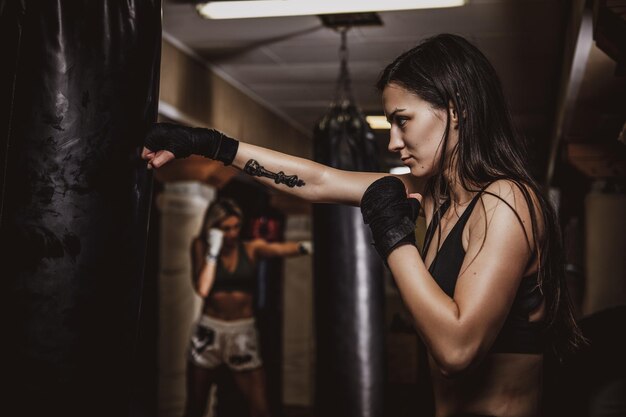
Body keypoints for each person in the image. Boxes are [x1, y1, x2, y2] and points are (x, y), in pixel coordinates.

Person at [144, 34, 585, 417]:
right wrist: (208, 144)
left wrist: (395, 238)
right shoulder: (435, 193)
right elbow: (316, 180)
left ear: (456, 110)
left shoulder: (507, 200)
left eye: (402, 120)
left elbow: (457, 350)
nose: (393, 141)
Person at [185, 197, 311, 417]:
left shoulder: (250, 248)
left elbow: (281, 249)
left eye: (235, 227)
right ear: (212, 228)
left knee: (260, 408)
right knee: (195, 407)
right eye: (225, 229)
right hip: (208, 333)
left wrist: (312, 245)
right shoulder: (201, 246)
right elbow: (203, 289)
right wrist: (213, 250)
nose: (232, 234)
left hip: (242, 333)